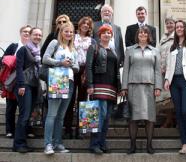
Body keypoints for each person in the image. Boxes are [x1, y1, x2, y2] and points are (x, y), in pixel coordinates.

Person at [121, 26, 162, 154]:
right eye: (140, 32)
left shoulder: (155, 51)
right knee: (133, 117)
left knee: (149, 117)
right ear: (137, 35)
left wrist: (158, 87)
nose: (143, 34)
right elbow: (126, 69)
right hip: (133, 86)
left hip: (149, 87)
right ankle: (132, 145)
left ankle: (149, 145)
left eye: (145, 32)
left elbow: (157, 70)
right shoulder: (129, 50)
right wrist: (124, 87)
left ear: (149, 35)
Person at [164, 20, 186, 154]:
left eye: (181, 26)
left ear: (185, 28)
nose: (179, 28)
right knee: (178, 113)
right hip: (174, 82)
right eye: (177, 27)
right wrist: (167, 79)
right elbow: (169, 65)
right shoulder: (172, 47)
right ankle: (184, 143)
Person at [43, 22, 79, 155]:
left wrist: (72, 66)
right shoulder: (54, 43)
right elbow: (45, 59)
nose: (69, 34)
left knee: (61, 116)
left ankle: (57, 143)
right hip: (57, 80)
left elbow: (76, 67)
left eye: (71, 32)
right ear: (61, 32)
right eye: (66, 31)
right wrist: (60, 63)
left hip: (69, 81)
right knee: (52, 114)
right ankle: (48, 144)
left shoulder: (73, 48)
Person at [86, 24, 121, 154]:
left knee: (106, 117)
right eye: (104, 33)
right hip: (98, 86)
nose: (107, 35)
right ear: (99, 35)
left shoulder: (113, 51)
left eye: (109, 33)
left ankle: (102, 142)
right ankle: (94, 144)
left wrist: (119, 87)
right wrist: (90, 85)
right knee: (99, 115)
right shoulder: (93, 47)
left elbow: (116, 71)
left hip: (111, 88)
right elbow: (88, 67)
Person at [64, 16, 96, 139]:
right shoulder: (72, 37)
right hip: (72, 69)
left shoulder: (92, 41)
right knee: (70, 99)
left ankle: (80, 130)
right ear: (80, 24)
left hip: (85, 71)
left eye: (88, 24)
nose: (85, 25)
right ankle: (67, 129)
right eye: (84, 23)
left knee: (82, 101)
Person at [12, 27, 43, 153]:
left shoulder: (37, 51)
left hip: (34, 85)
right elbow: (19, 69)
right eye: (35, 34)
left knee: (28, 115)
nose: (38, 37)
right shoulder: (23, 49)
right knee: (24, 115)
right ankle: (18, 144)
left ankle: (22, 142)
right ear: (29, 35)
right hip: (25, 85)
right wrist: (21, 85)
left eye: (40, 35)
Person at [1, 25, 31, 139]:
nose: (27, 33)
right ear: (20, 33)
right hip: (13, 81)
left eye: (29, 32)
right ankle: (9, 130)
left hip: (26, 81)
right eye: (25, 31)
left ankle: (25, 130)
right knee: (11, 107)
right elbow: (3, 61)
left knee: (25, 108)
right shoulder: (13, 46)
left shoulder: (32, 48)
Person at [158, 17, 176, 128]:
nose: (169, 25)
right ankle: (169, 120)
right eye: (167, 23)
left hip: (173, 72)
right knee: (166, 97)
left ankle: (174, 119)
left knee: (174, 97)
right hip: (162, 72)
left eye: (171, 23)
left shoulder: (177, 37)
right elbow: (159, 53)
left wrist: (169, 68)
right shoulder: (163, 38)